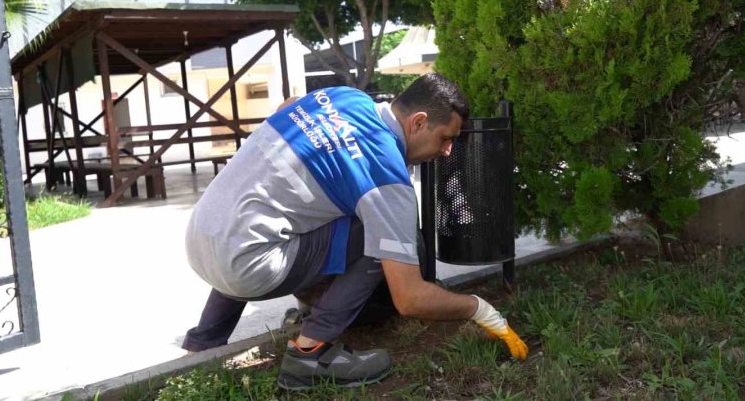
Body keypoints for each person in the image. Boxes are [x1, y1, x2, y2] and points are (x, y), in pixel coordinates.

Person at [182, 73, 528, 391]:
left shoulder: (342, 98)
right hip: (248, 266)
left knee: (267, 213)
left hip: (201, 240)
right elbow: (409, 299)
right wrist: (480, 309)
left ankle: (203, 343)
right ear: (418, 122)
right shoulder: (387, 177)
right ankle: (311, 353)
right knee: (375, 234)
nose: (448, 151)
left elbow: (288, 106)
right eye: (446, 138)